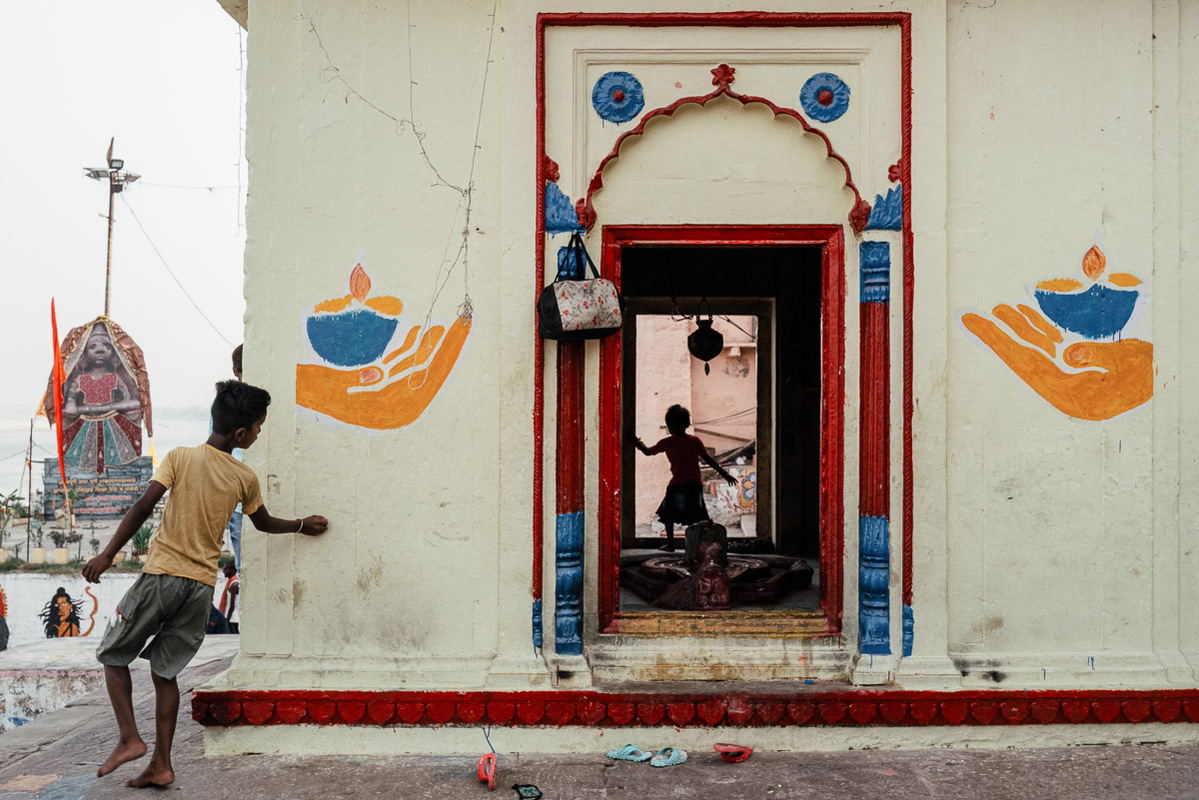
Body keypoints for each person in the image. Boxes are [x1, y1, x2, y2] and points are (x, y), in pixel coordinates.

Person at [82, 380, 329, 788]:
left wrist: (108, 555)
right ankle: (161, 764)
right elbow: (263, 523)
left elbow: (143, 507)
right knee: (165, 674)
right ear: (241, 434)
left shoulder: (180, 458)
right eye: (259, 427)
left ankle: (129, 738)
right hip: (199, 589)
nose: (259, 433)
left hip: (161, 577)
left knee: (112, 654)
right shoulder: (244, 477)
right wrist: (303, 525)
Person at [634, 404, 736, 552]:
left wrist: (637, 441)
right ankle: (698, 547)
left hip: (676, 484)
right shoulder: (694, 441)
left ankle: (670, 544)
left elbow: (648, 452)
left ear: (669, 425)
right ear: (687, 423)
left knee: (668, 514)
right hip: (694, 484)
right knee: (697, 518)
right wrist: (725, 474)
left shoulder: (667, 442)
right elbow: (708, 460)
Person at [217, 561, 240, 634]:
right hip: (231, 618)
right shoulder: (231, 582)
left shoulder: (234, 584)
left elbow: (232, 606)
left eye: (226, 569)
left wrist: (226, 621)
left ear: (233, 570)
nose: (223, 571)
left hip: (232, 619)